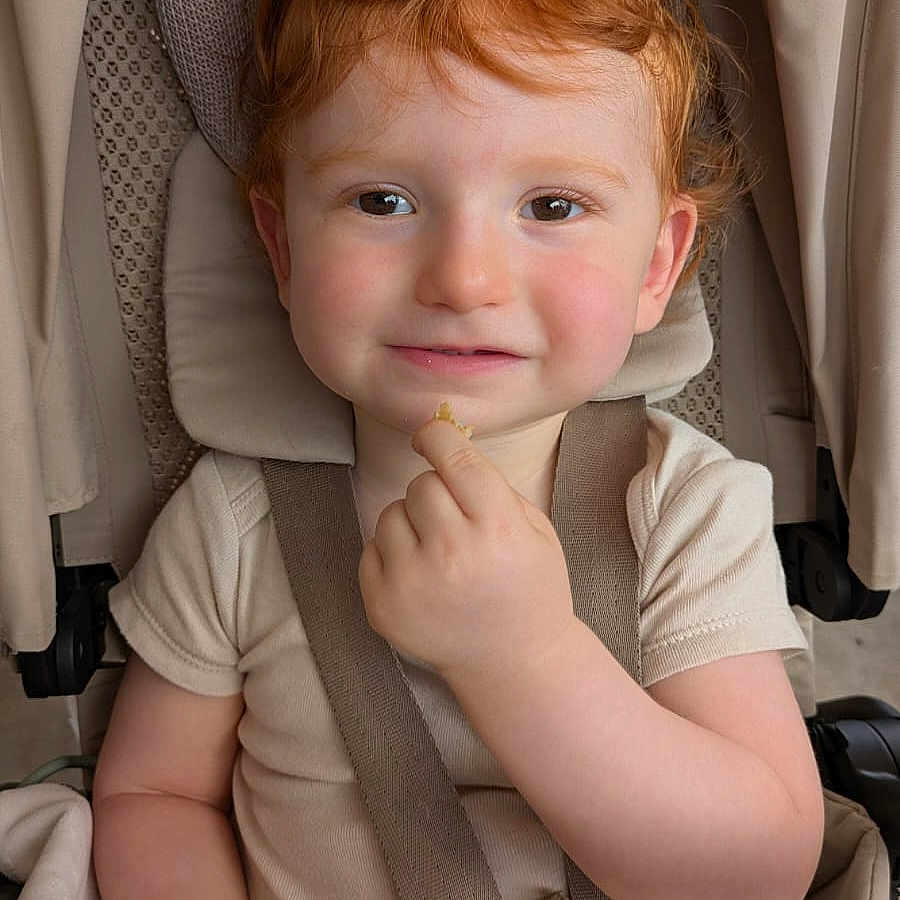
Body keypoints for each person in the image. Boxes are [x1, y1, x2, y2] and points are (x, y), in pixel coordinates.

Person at [91, 1, 825, 897]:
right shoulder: (235, 527)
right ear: (282, 248)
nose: (463, 279)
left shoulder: (685, 510)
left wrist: (521, 658)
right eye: (382, 200)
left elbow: (756, 875)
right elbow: (157, 793)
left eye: (552, 206)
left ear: (655, 268)